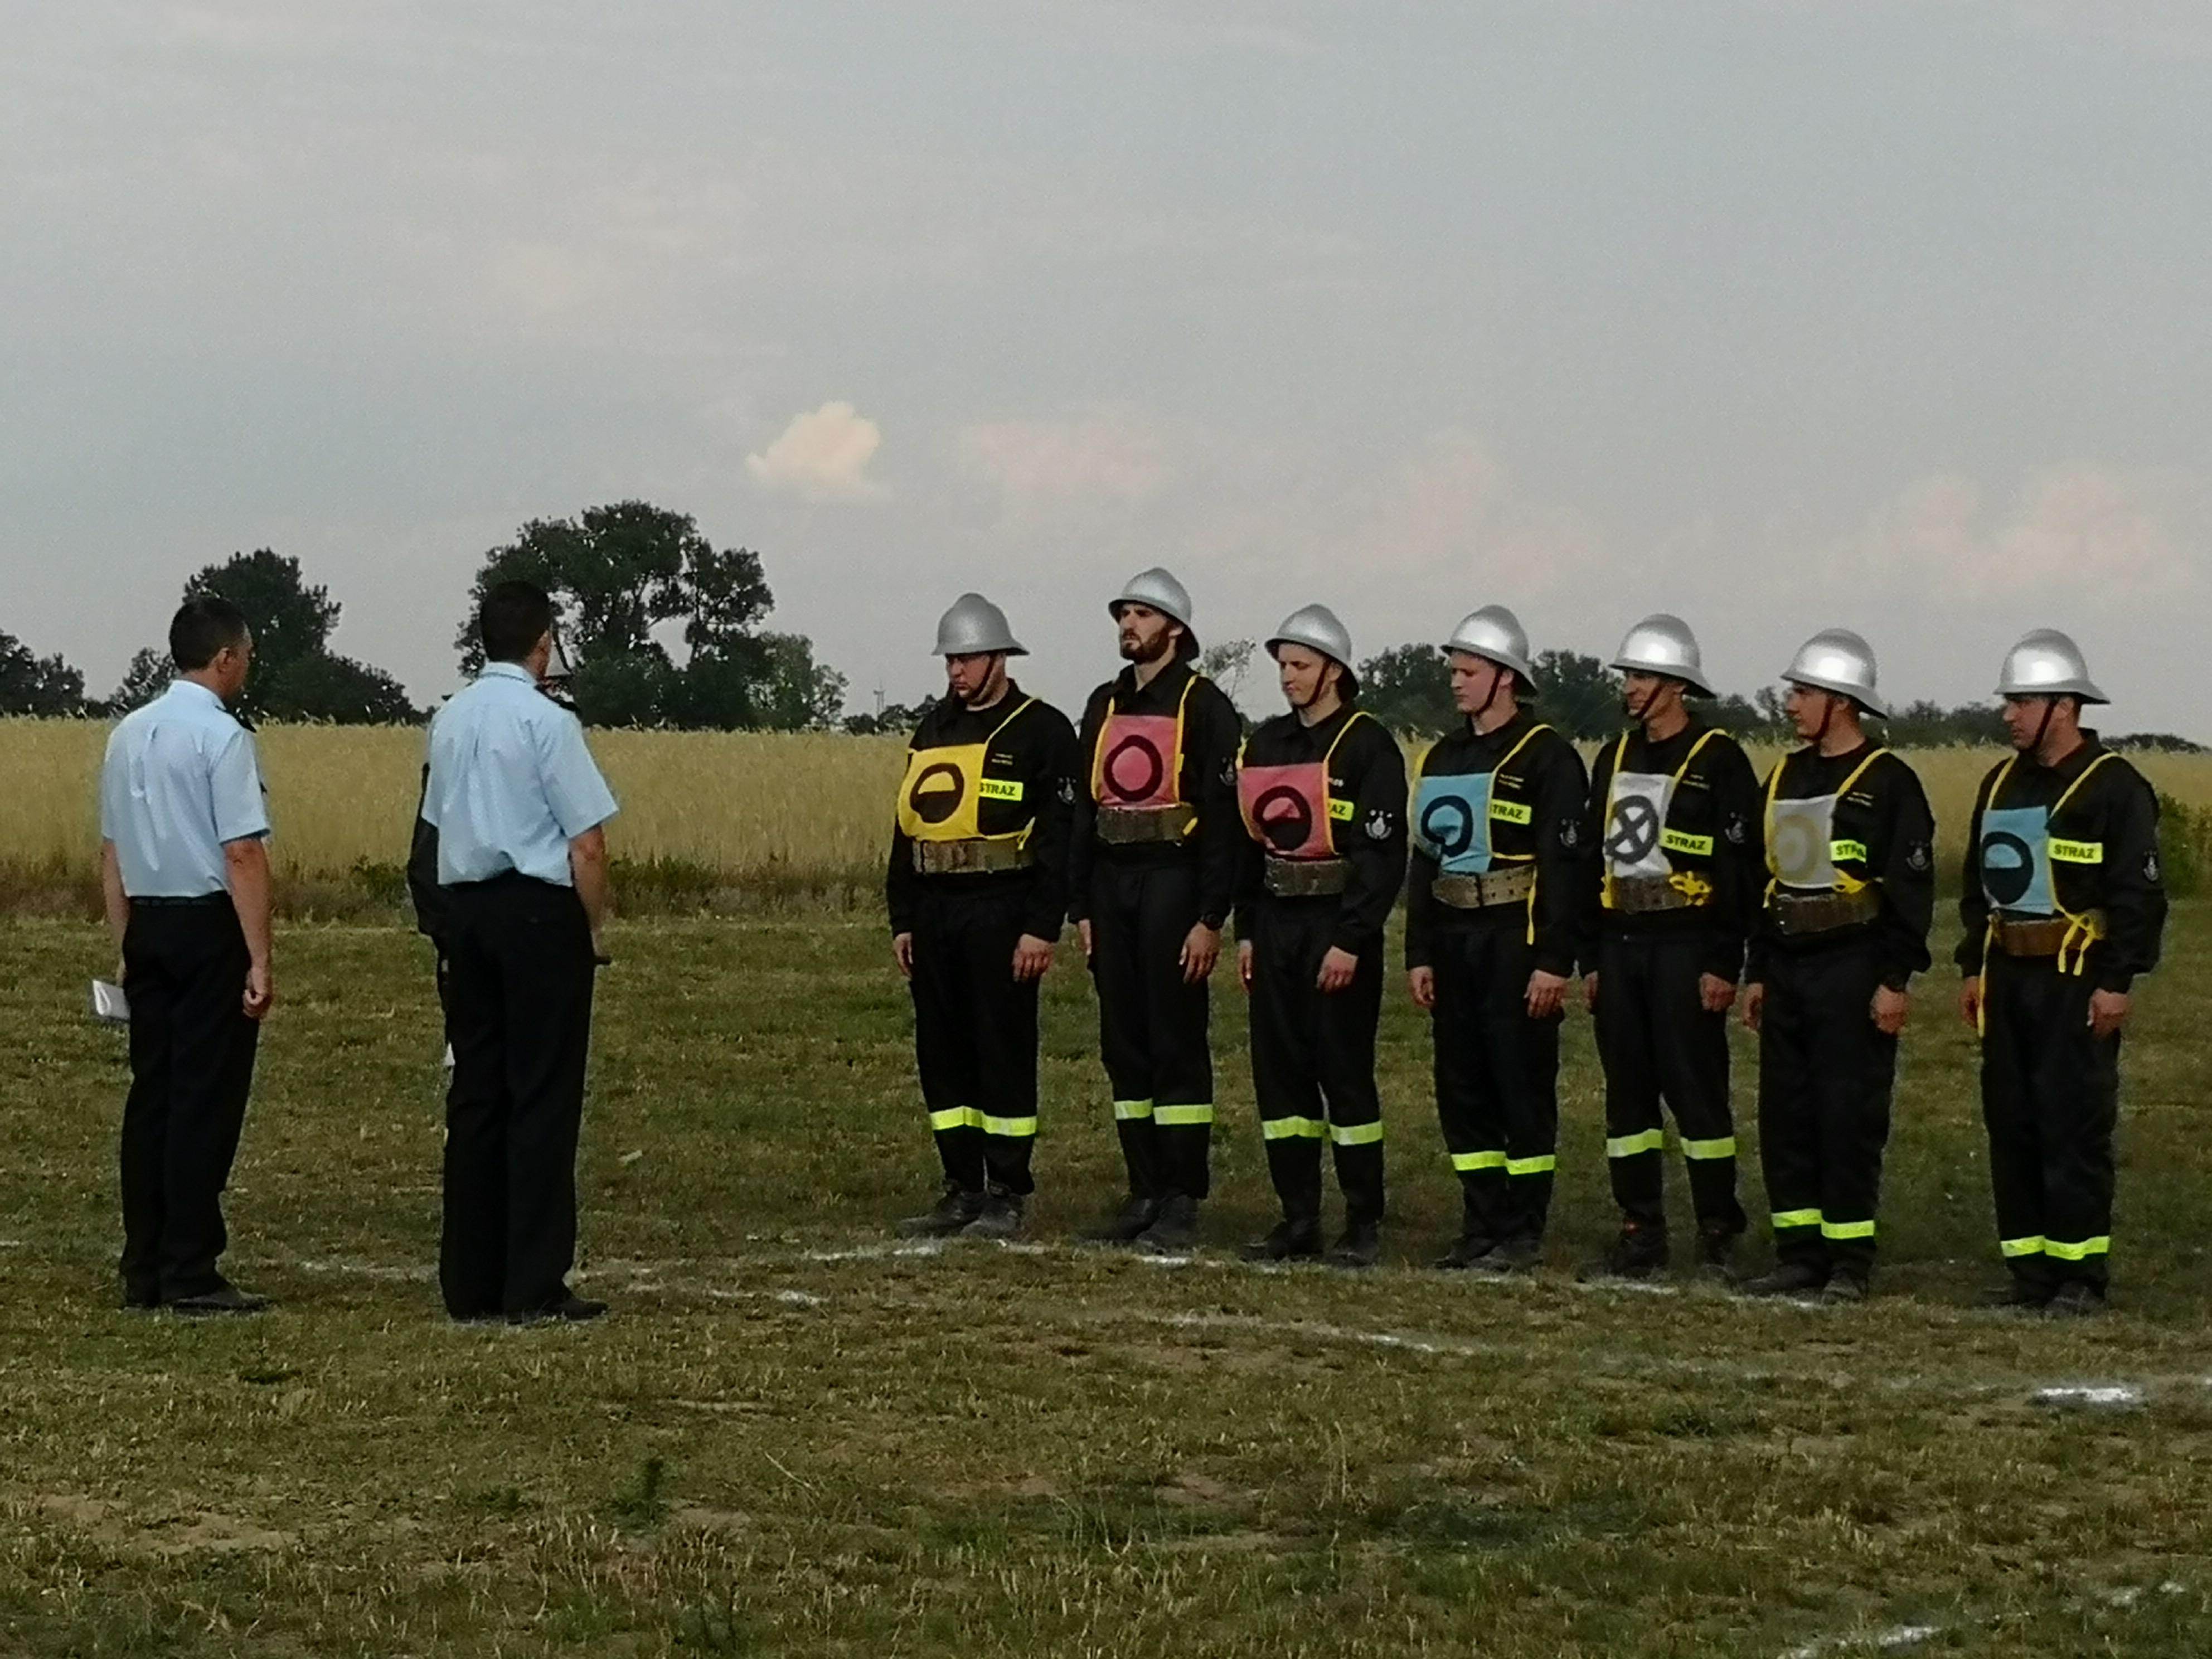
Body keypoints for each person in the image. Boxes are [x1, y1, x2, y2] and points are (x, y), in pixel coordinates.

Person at [423, 580, 619, 1324]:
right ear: (543, 644)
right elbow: (587, 841)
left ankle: (469, 1280)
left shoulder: (448, 720)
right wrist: (591, 929)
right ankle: (533, 1280)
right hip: (537, 912)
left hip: (466, 911)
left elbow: (440, 820)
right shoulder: (548, 723)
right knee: (542, 1094)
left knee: (477, 1093)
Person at [1958, 629, 2165, 1316]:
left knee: (2070, 1122)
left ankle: (2080, 1275)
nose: (2007, 714)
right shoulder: (1997, 781)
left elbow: (2137, 897)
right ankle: (2029, 1272)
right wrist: (1970, 966)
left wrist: (2115, 981)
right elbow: (1975, 885)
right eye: (2008, 701)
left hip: (2073, 981)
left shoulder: (2114, 788)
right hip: (2007, 976)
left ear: (2063, 706)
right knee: (2011, 1120)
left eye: (2020, 701)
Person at [1738, 630, 1934, 1303]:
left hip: (1852, 965)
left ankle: (1848, 1260)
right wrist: (1758, 969)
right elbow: (1763, 881)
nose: (1790, 703)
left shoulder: (1888, 783)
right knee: (1786, 1112)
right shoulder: (1785, 776)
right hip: (1788, 963)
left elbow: (1910, 891)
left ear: (1840, 702)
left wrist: (1893, 980)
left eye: (1803, 692)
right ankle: (1798, 1252)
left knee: (1845, 1112)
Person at [98, 596, 276, 1315]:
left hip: (147, 921)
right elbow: (241, 852)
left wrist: (124, 946)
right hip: (208, 928)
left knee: (154, 1095)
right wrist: (259, 958)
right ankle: (191, 1264)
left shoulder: (127, 734)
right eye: (247, 657)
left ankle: (143, 1261)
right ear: (225, 658)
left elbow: (111, 853)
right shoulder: (223, 739)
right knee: (206, 1097)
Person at [889, 594, 1081, 1242]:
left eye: (967, 659)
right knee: (941, 1050)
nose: (956, 672)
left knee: (1001, 1047)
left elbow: (1059, 840)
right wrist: (903, 919)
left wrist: (1040, 926)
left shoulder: (1042, 731)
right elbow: (905, 830)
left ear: (999, 657)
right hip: (935, 908)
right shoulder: (933, 730)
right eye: (950, 661)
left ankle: (1006, 1187)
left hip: (1001, 909)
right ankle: (959, 1184)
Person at [1405, 607, 1587, 1273]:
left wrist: (1551, 962)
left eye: (1468, 671)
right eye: (1453, 670)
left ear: (1504, 678)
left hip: (1513, 935)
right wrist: (1418, 951)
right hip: (1452, 936)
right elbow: (1423, 858)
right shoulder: (1442, 756)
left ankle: (1522, 1228)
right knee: (1462, 1084)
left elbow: (1563, 871)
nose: (1455, 682)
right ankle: (1479, 1219)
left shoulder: (1547, 757)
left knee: (1519, 1081)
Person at [1580, 614, 1759, 1280]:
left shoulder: (1720, 761)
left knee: (1696, 1092)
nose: (1629, 688)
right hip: (1621, 939)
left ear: (1676, 686)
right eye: (1627, 676)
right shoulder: (1613, 756)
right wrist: (1592, 959)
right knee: (1627, 1097)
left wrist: (1722, 962)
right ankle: (1639, 1227)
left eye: (1642, 676)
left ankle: (1717, 1227)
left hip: (1686, 944)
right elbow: (1592, 866)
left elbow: (1739, 873)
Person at [1068, 569, 1242, 1254]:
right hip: (1113, 884)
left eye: (1141, 614)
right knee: (1124, 1042)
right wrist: (1079, 903)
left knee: (1174, 1039)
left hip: (1173, 877)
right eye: (1123, 614)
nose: (1127, 625)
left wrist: (1209, 916)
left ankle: (1180, 1196)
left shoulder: (1204, 706)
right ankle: (1142, 1186)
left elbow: (1224, 820)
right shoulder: (1103, 704)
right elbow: (1083, 806)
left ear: (1173, 628)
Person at [1235, 605, 1408, 1268]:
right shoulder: (1267, 745)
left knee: (1343, 1075)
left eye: (1300, 666)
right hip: (1278, 923)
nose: (1287, 678)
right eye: (1282, 666)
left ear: (1334, 670)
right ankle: (1297, 1215)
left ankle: (1362, 1220)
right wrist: (1247, 931)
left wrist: (1351, 940)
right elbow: (1250, 847)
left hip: (1336, 929)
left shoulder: (1369, 746)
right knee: (1280, 1080)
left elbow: (1382, 857)